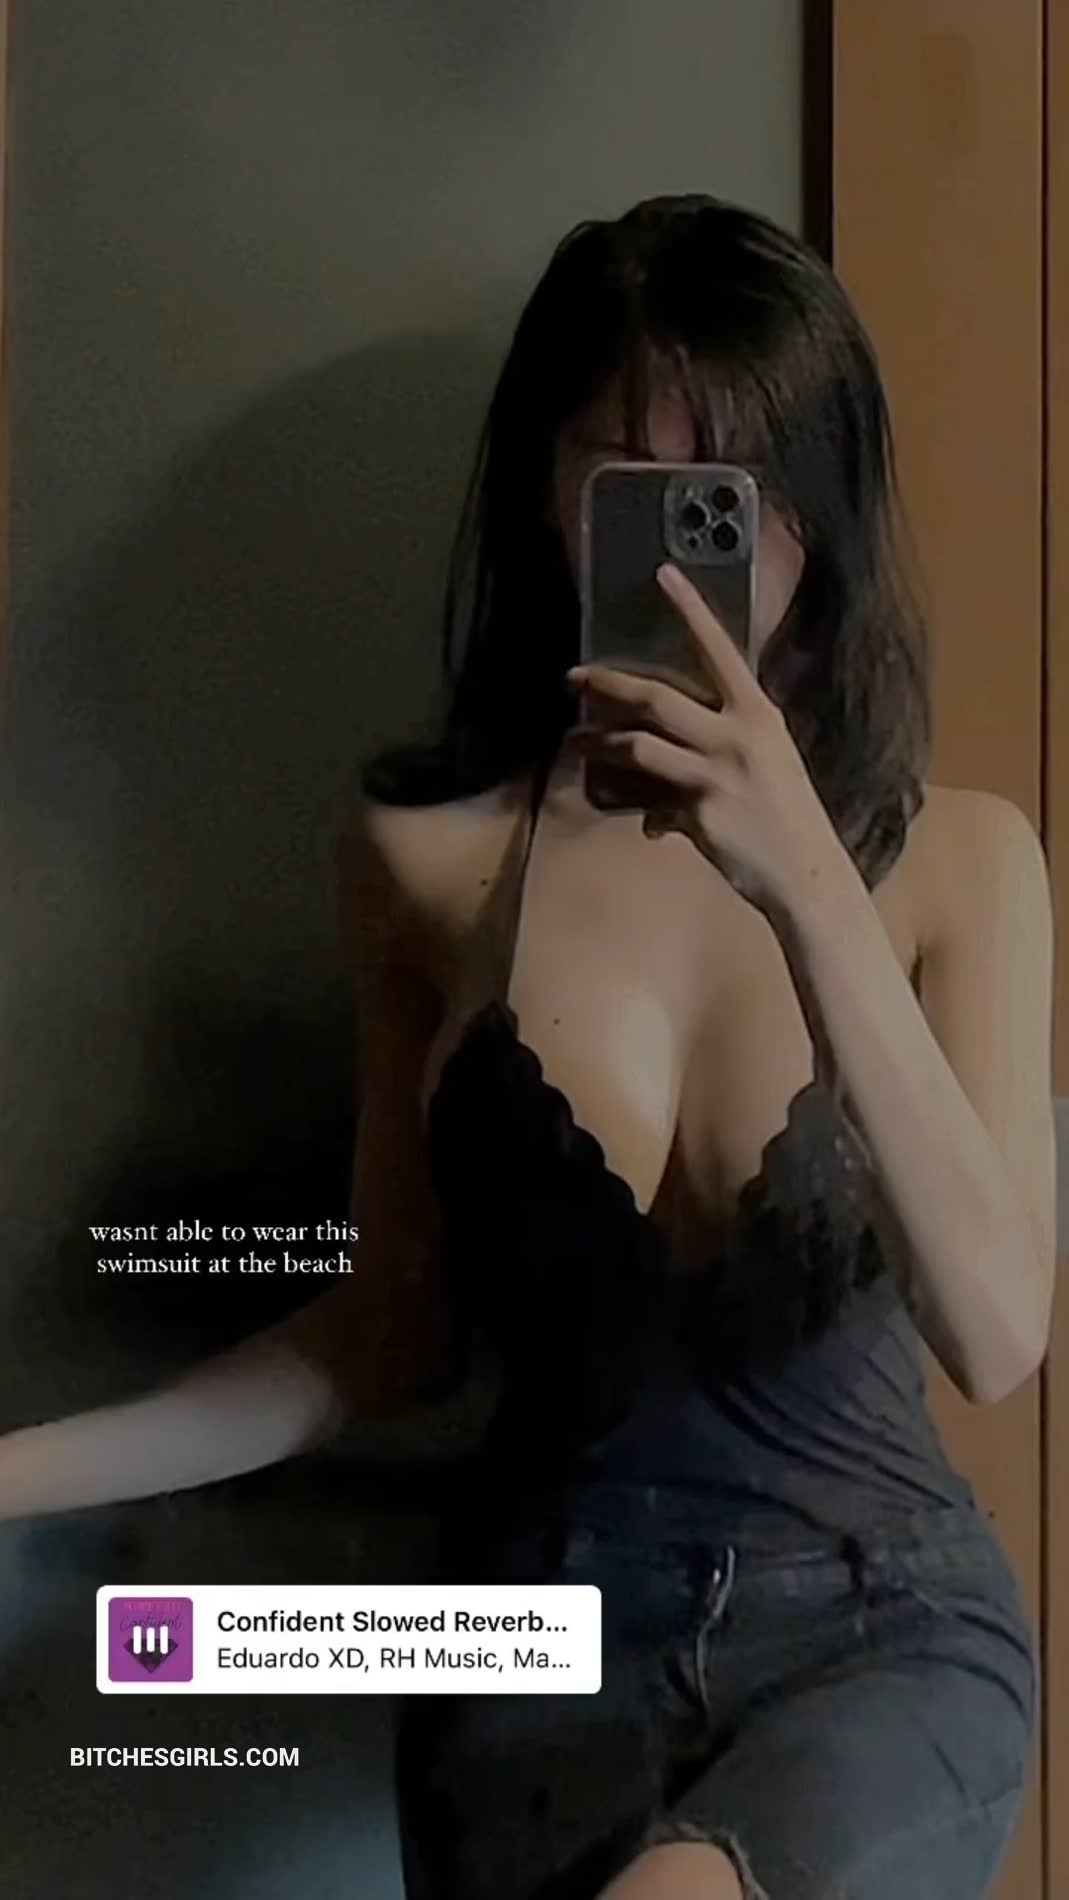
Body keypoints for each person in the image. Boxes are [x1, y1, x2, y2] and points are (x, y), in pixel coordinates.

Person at [0, 196, 1055, 1899]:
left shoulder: (962, 863)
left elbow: (998, 1334)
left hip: (876, 1629)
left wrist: (805, 882)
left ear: (825, 506)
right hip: (527, 1646)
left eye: (740, 487)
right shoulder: (425, 866)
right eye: (628, 475)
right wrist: (16, 1475)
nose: (691, 544)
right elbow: (383, 1341)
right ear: (546, 493)